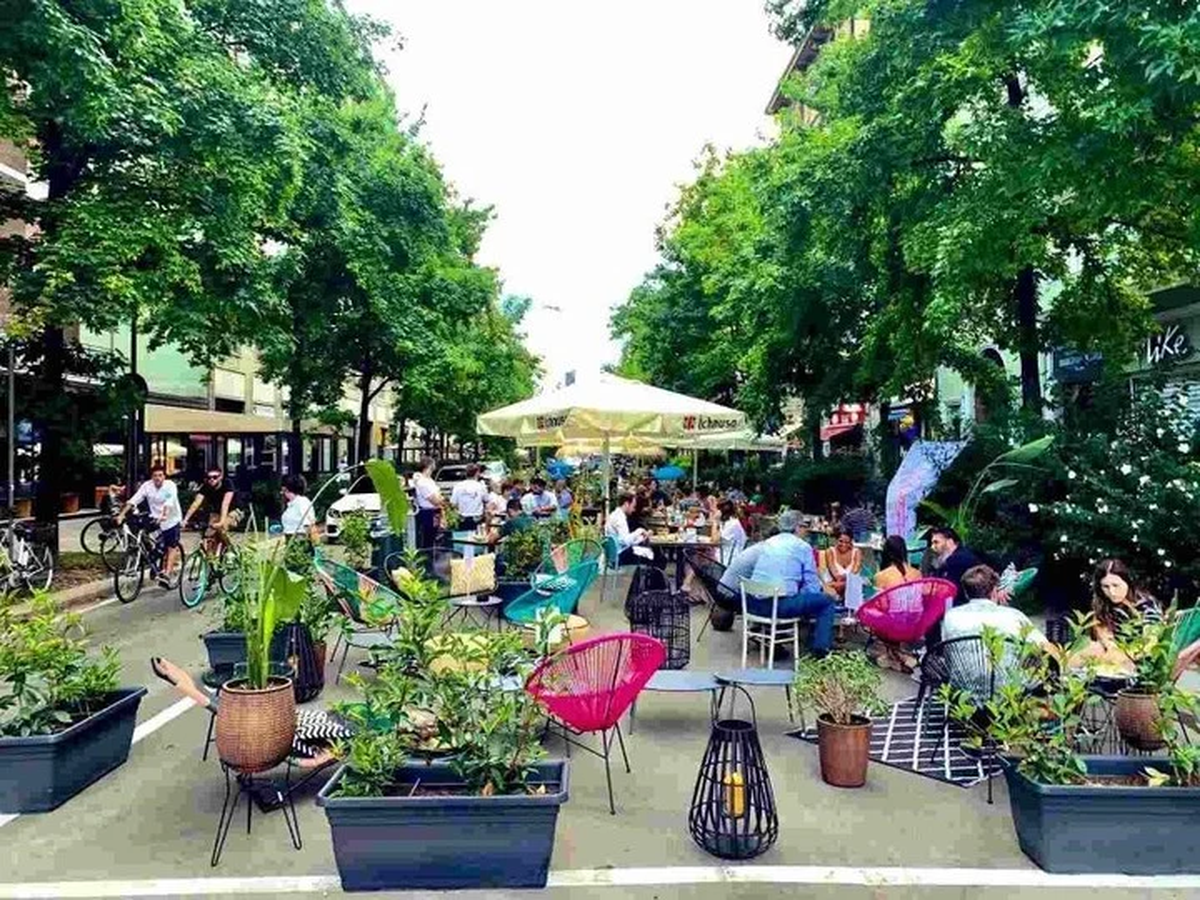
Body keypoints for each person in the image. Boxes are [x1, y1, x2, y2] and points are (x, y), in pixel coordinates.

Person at [941, 564, 1047, 698]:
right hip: (1007, 692)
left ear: (966, 593)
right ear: (994, 590)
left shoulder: (951, 616)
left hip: (963, 692)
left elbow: (947, 653)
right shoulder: (1013, 616)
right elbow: (1044, 647)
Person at [747, 509, 836, 657]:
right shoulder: (802, 547)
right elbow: (812, 586)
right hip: (778, 606)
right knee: (826, 601)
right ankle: (820, 650)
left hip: (753, 604)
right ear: (797, 527)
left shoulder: (768, 543)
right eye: (804, 526)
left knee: (798, 596)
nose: (806, 531)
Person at [1073, 559, 1162, 672]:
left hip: (1138, 658)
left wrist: (1125, 655)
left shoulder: (1146, 605)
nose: (1112, 592)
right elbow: (1103, 635)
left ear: (1127, 582)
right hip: (1112, 652)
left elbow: (1151, 640)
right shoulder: (1103, 605)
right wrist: (1110, 649)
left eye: (1116, 585)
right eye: (1105, 586)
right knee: (1090, 649)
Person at [117, 463, 183, 588]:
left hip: (171, 519)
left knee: (171, 546)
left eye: (160, 475)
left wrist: (164, 515)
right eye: (155, 476)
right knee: (150, 540)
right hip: (155, 518)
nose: (158, 478)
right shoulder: (147, 486)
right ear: (152, 477)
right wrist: (121, 515)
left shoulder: (170, 486)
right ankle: (153, 562)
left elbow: (169, 501)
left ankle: (167, 574)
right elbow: (134, 500)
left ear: (164, 476)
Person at [182, 466, 239, 555]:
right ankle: (211, 558)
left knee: (221, 528)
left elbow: (225, 504)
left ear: (220, 477)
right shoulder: (205, 487)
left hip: (233, 511)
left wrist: (221, 522)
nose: (211, 480)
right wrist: (185, 520)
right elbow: (196, 503)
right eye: (209, 478)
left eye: (215, 477)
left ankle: (231, 550)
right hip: (216, 512)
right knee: (209, 535)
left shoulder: (227, 484)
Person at [929, 526, 982, 607]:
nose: (933, 547)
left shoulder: (956, 561)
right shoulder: (963, 555)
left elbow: (948, 591)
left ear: (950, 542)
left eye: (936, 542)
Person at [605, 492, 652, 566]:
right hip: (620, 555)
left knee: (650, 553)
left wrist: (641, 538)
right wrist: (639, 531)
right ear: (626, 504)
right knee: (655, 556)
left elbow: (625, 541)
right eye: (633, 506)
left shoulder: (614, 515)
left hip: (616, 554)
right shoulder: (619, 518)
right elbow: (626, 541)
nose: (633, 510)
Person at [819, 529, 862, 600]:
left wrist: (843, 584)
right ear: (836, 540)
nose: (843, 544)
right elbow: (834, 572)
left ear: (851, 542)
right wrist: (842, 582)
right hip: (834, 585)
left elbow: (854, 572)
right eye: (840, 541)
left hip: (849, 586)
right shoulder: (830, 551)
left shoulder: (857, 552)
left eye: (847, 542)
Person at [412, 456, 443, 550]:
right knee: (428, 539)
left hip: (434, 511)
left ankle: (432, 555)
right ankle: (427, 556)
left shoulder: (429, 480)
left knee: (434, 537)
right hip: (428, 512)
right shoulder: (422, 482)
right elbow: (435, 500)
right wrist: (439, 497)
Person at [449, 463, 487, 532]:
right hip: (477, 517)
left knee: (463, 536)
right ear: (477, 473)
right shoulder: (480, 486)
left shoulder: (458, 486)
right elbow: (486, 500)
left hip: (463, 518)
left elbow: (453, 503)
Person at [279, 474, 317, 540]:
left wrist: (315, 542)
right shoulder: (291, 505)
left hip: (300, 539)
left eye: (283, 490)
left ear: (286, 489)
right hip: (289, 538)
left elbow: (309, 524)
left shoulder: (302, 502)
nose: (282, 493)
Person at [717, 499, 746, 563]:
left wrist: (715, 521)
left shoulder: (733, 523)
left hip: (728, 559)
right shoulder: (724, 522)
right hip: (721, 555)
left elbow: (715, 540)